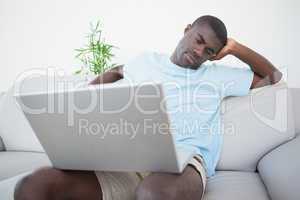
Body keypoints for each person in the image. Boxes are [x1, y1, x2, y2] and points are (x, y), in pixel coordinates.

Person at [14, 15, 282, 200]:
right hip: (131, 157)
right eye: (199, 40)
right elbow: (118, 70)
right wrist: (86, 93)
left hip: (185, 161)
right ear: (187, 29)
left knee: (153, 193)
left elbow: (273, 77)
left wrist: (235, 48)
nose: (201, 52)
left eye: (210, 51)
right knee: (35, 185)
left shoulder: (218, 75)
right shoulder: (145, 61)